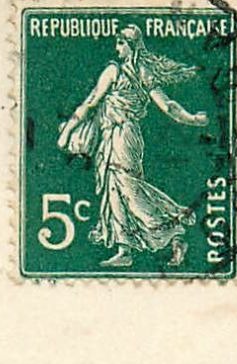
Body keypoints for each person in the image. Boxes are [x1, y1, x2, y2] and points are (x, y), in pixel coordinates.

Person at [56, 25, 209, 268]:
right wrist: (192, 119)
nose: (117, 48)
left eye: (120, 43)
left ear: (131, 45)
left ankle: (170, 224)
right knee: (121, 187)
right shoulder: (144, 71)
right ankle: (147, 242)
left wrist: (67, 131)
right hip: (126, 136)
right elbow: (167, 105)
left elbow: (92, 102)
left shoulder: (113, 70)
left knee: (123, 186)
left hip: (120, 135)